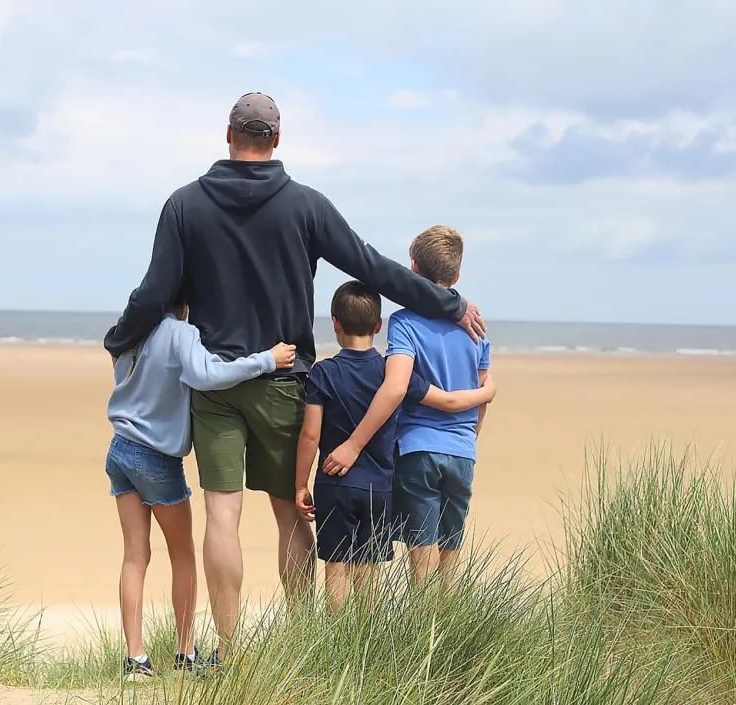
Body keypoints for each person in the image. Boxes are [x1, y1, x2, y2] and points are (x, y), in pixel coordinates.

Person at [103, 92, 486, 667]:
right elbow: (372, 266)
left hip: (216, 386)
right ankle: (307, 645)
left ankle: (229, 655)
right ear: (277, 140)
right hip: (288, 381)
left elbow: (155, 294)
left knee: (222, 514)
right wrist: (446, 303)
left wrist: (119, 338)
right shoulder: (305, 205)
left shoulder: (184, 205)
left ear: (227, 134)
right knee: (290, 512)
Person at [105, 294, 296, 679]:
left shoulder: (130, 333)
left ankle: (135, 660)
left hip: (120, 450)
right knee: (183, 556)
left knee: (134, 557)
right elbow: (206, 374)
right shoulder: (179, 332)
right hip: (157, 458)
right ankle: (185, 653)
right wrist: (266, 360)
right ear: (187, 301)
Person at [294, 281, 496, 610]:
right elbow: (445, 400)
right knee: (369, 571)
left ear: (335, 323)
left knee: (336, 569)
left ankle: (335, 644)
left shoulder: (323, 372)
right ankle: (367, 644)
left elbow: (310, 435)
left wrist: (301, 483)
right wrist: (486, 394)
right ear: (378, 326)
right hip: (380, 486)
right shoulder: (393, 373)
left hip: (334, 483)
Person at [321, 226, 491, 585]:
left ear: (412, 270)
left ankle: (420, 636)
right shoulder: (476, 328)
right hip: (463, 451)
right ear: (457, 275)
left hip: (418, 451)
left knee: (422, 561)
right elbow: (482, 393)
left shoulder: (404, 322)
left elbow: (396, 386)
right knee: (451, 558)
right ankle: (448, 636)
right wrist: (469, 439)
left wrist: (353, 445)